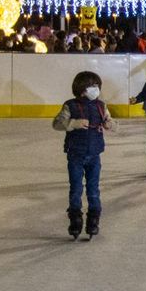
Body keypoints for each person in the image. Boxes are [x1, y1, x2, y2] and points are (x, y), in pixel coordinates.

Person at [52, 70, 112, 241]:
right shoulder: (70, 105)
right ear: (81, 88)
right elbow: (57, 123)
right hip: (76, 154)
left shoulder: (101, 106)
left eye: (97, 86)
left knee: (93, 189)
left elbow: (111, 121)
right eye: (92, 86)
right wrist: (73, 123)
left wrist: (110, 124)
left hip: (94, 154)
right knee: (76, 188)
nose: (96, 89)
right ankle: (75, 219)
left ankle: (93, 219)